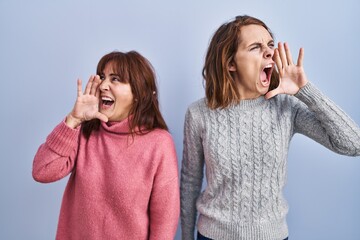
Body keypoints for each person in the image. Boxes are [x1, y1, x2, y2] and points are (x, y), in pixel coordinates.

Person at [180, 15, 360, 240]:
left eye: (270, 45)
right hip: (212, 235)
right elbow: (190, 182)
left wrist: (305, 90)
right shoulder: (199, 114)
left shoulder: (286, 107)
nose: (269, 52)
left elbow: (354, 144)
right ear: (230, 63)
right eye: (256, 47)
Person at [32, 51, 180, 240]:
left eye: (115, 79)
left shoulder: (159, 143)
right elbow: (42, 171)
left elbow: (164, 223)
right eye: (102, 77)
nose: (102, 85)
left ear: (139, 93)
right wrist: (73, 120)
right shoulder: (84, 132)